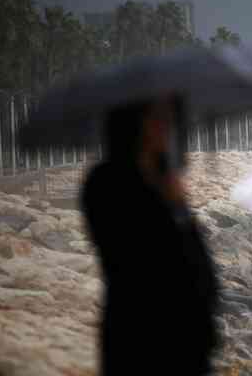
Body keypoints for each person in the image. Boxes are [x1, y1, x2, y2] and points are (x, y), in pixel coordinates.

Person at [81, 94, 220, 376]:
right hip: (140, 336)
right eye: (157, 118)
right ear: (133, 122)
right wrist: (168, 203)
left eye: (170, 119)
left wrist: (179, 206)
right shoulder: (106, 182)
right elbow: (137, 258)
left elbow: (194, 256)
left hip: (188, 340)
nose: (166, 127)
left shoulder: (164, 177)